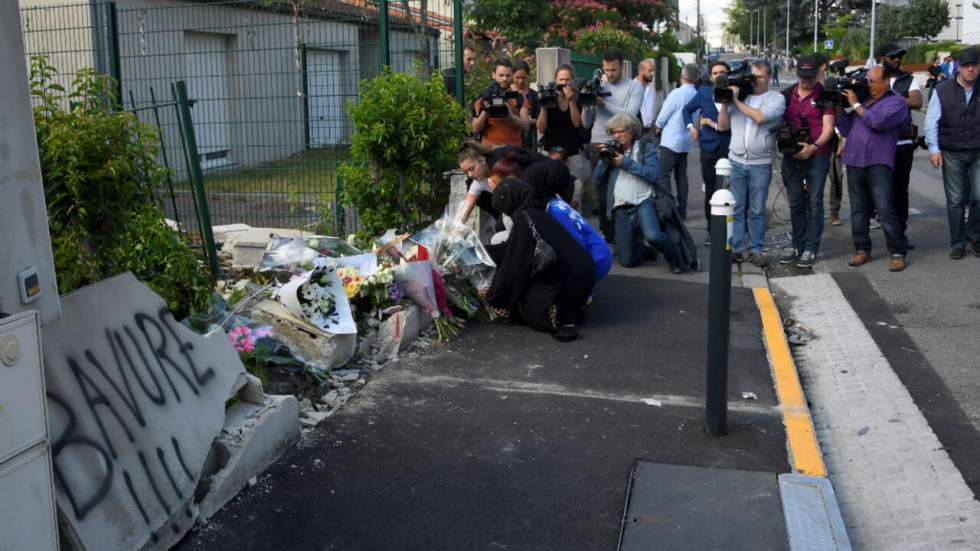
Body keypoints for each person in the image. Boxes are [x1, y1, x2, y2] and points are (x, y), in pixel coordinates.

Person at [485, 178, 595, 342]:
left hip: (571, 281)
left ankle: (559, 313)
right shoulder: (536, 210)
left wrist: (494, 297)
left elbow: (514, 263)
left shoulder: (524, 217)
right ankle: (569, 309)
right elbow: (512, 248)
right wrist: (482, 252)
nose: (506, 213)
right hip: (583, 275)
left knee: (528, 305)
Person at [836, 66, 912, 271]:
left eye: (873, 81)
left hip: (879, 161)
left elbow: (876, 122)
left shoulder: (896, 102)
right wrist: (839, 109)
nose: (868, 85)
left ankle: (897, 252)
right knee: (858, 210)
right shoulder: (863, 101)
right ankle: (862, 250)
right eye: (867, 81)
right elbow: (845, 129)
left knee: (885, 209)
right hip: (854, 160)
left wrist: (856, 104)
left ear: (886, 81)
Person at [593, 113, 685, 272]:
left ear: (632, 131)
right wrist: (604, 160)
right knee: (627, 261)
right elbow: (596, 180)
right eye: (614, 132)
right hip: (620, 205)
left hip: (644, 200)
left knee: (653, 236)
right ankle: (645, 251)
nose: (617, 135)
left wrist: (626, 163)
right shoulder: (611, 150)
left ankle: (675, 259)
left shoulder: (645, 148)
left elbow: (654, 174)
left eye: (621, 131)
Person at [717, 59, 787, 267]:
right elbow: (722, 126)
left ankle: (755, 249)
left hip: (760, 163)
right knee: (736, 207)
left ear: (769, 77)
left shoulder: (776, 98)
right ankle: (737, 248)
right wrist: (725, 103)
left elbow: (759, 117)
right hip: (736, 160)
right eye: (753, 76)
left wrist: (736, 101)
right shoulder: (741, 96)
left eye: (761, 77)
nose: (756, 81)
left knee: (756, 209)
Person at [777, 54, 836, 268]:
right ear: (797, 73)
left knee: (815, 203)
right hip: (791, 156)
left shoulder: (825, 96)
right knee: (795, 203)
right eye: (803, 76)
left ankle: (811, 248)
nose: (807, 81)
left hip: (817, 155)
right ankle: (797, 245)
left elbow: (828, 128)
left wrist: (814, 147)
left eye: (811, 77)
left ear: (818, 73)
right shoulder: (785, 95)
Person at [582, 48, 645, 241]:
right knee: (601, 192)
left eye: (614, 70)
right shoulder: (597, 85)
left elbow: (630, 116)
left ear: (622, 66)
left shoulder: (634, 87)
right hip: (598, 143)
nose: (609, 74)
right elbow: (586, 123)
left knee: (624, 189)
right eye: (606, 70)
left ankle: (629, 234)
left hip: (623, 144)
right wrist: (587, 103)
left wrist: (604, 104)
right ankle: (607, 234)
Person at [924, 47, 980, 259]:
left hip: (977, 150)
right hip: (952, 151)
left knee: (979, 196)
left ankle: (974, 235)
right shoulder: (942, 89)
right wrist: (934, 149)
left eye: (974, 65)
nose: (971, 69)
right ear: (958, 67)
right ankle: (958, 242)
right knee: (956, 199)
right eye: (966, 65)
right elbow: (931, 121)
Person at [524, 160, 612, 281]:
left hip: (595, 261)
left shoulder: (555, 211)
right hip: (600, 254)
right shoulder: (556, 200)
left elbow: (576, 244)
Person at [684, 60, 732, 243]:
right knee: (711, 190)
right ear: (710, 76)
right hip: (709, 148)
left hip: (730, 147)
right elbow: (686, 110)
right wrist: (691, 128)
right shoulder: (703, 93)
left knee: (730, 190)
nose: (719, 76)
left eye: (722, 72)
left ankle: (730, 230)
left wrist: (713, 124)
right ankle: (712, 231)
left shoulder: (735, 93)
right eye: (715, 73)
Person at [879, 43, 923, 238]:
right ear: (883, 58)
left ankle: (900, 231)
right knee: (880, 188)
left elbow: (916, 101)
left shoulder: (909, 79)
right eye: (893, 56)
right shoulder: (873, 77)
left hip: (903, 142)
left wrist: (889, 98)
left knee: (900, 188)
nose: (897, 59)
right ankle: (884, 223)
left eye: (900, 56)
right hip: (878, 143)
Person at [537, 64, 589, 207]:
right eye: (561, 79)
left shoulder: (577, 98)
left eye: (567, 79)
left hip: (572, 151)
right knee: (550, 192)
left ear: (572, 81)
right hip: (551, 152)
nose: (564, 83)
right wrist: (543, 105)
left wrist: (571, 100)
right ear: (555, 80)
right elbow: (541, 128)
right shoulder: (549, 96)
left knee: (575, 194)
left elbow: (577, 123)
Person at [654, 63, 700, 220]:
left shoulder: (676, 93)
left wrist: (658, 127)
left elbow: (664, 115)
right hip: (686, 141)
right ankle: (682, 210)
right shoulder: (696, 94)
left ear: (682, 76)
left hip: (670, 140)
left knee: (664, 175)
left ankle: (667, 209)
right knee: (681, 175)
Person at [472, 59, 530, 148]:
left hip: (514, 149)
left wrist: (510, 114)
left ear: (512, 76)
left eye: (507, 75)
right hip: (490, 149)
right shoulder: (483, 98)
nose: (504, 79)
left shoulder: (518, 97)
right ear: (493, 75)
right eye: (501, 75)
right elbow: (475, 129)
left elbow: (526, 126)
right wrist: (485, 110)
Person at [511, 60, 540, 149]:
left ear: (528, 76)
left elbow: (541, 119)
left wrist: (531, 121)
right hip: (511, 139)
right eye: (517, 77)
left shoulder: (534, 96)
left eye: (523, 78)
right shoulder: (507, 94)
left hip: (530, 141)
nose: (520, 81)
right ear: (512, 75)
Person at [636, 58, 658, 140]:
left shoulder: (651, 88)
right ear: (641, 71)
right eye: (650, 71)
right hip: (637, 133)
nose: (653, 73)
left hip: (650, 131)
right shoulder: (632, 87)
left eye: (653, 71)